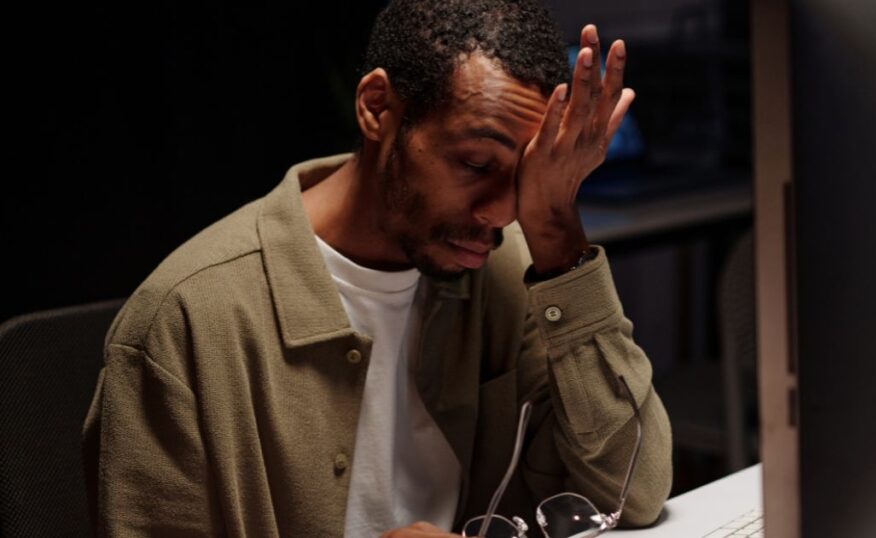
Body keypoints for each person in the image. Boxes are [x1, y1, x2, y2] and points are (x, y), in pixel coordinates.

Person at [82, 0, 673, 536]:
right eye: (473, 163)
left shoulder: (508, 266)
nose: (500, 212)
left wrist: (557, 230)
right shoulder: (187, 320)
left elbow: (635, 493)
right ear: (377, 107)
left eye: (523, 176)